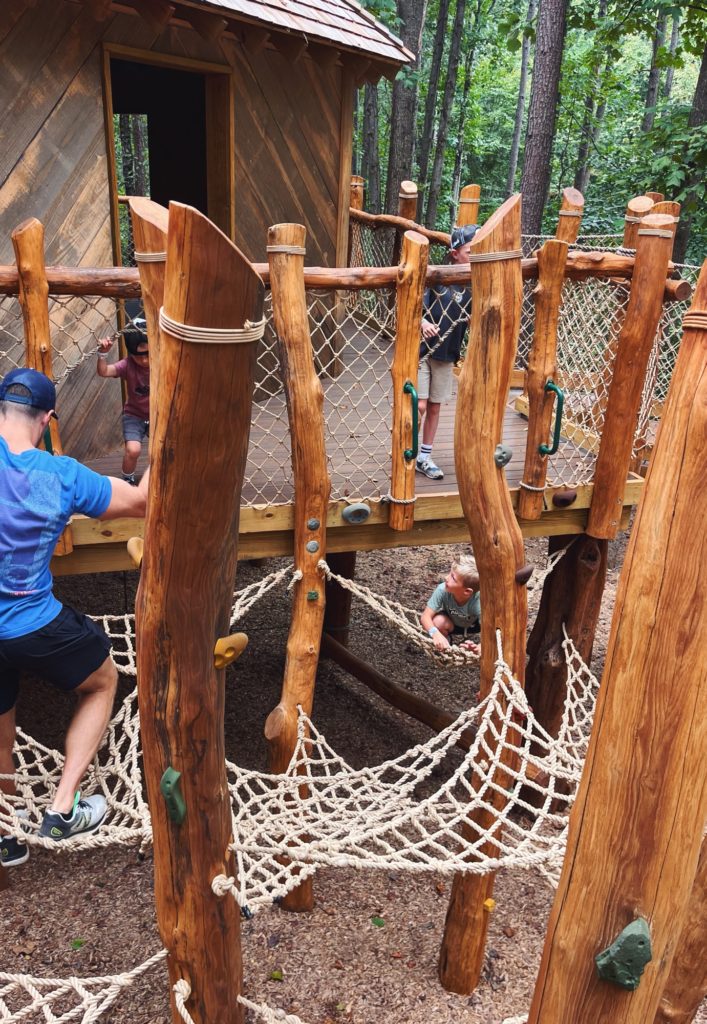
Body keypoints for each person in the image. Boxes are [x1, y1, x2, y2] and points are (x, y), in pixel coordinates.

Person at [0, 368, 149, 867]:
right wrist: (163, 444)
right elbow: (141, 502)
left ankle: (6, 831)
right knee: (102, 680)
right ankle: (62, 809)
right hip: (33, 621)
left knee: (1, 718)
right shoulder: (60, 474)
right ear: (45, 419)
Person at [415, 224, 478, 481]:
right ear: (455, 253)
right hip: (421, 352)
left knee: (435, 407)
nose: (474, 257)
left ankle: (424, 457)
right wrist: (423, 322)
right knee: (418, 404)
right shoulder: (437, 277)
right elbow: (414, 306)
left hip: (447, 354)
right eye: (470, 251)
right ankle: (406, 448)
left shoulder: (475, 284)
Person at [96, 318, 150, 485]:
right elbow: (104, 372)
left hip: (158, 414)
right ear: (131, 354)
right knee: (133, 450)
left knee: (160, 451)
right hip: (134, 415)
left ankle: (160, 479)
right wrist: (103, 354)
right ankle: (127, 480)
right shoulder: (127, 365)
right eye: (139, 357)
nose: (145, 361)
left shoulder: (162, 361)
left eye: (148, 355)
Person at [420, 555, 481, 655]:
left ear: (467, 591)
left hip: (475, 625)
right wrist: (435, 634)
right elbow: (425, 617)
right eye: (450, 573)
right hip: (452, 623)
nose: (446, 577)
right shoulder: (442, 589)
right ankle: (445, 644)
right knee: (438, 622)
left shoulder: (479, 601)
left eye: (453, 578)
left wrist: (479, 648)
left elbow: (490, 631)